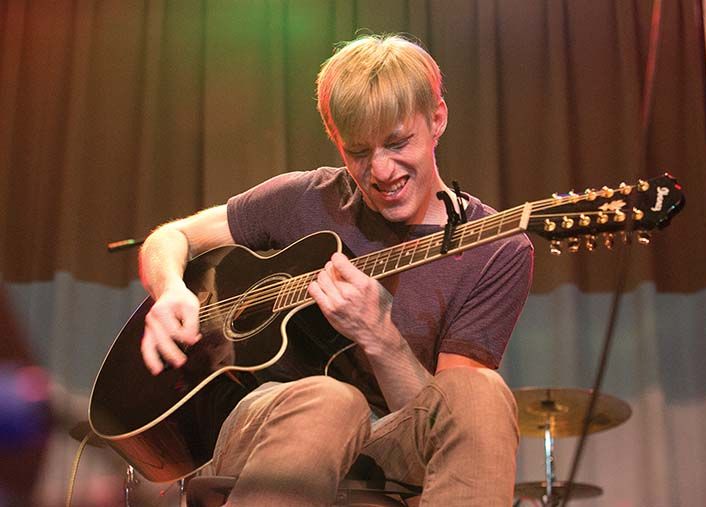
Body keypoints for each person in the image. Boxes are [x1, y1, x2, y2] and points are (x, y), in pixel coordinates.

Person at [138, 34, 533, 506]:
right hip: (271, 423)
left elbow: (445, 419)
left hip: (391, 440)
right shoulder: (305, 198)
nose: (382, 171)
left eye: (397, 143)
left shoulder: (497, 249)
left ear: (438, 120)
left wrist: (380, 336)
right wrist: (170, 292)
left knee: (479, 392)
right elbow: (169, 238)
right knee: (331, 400)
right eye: (359, 152)